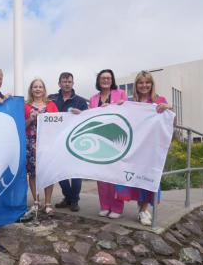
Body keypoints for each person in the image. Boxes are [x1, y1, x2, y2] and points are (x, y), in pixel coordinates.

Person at [112, 70, 171, 225]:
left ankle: (144, 210)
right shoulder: (130, 102)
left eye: (147, 82)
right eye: (140, 82)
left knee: (149, 176)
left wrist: (168, 108)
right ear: (136, 85)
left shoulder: (160, 100)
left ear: (151, 84)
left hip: (152, 147)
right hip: (135, 147)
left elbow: (172, 121)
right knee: (133, 175)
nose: (144, 85)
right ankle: (140, 208)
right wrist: (115, 107)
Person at [88, 69, 128, 219]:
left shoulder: (121, 94)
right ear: (98, 80)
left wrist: (115, 106)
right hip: (99, 140)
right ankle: (105, 205)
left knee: (116, 176)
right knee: (102, 176)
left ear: (112, 80)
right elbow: (89, 117)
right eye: (103, 78)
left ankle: (117, 207)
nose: (106, 80)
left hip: (116, 139)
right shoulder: (93, 98)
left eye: (108, 78)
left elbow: (127, 111)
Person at [49, 72, 88, 212]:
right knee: (59, 172)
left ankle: (74, 200)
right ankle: (68, 197)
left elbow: (87, 120)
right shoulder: (51, 99)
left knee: (76, 173)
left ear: (73, 83)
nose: (66, 84)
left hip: (75, 142)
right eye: (64, 81)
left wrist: (82, 114)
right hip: (56, 142)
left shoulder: (81, 101)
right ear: (59, 83)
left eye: (69, 81)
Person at [25, 78, 59, 215]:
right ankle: (36, 202)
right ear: (31, 89)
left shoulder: (51, 105)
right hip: (31, 144)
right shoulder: (25, 106)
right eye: (35, 87)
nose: (38, 89)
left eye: (40, 87)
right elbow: (21, 125)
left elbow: (59, 123)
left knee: (48, 173)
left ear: (44, 89)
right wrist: (30, 119)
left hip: (48, 144)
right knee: (33, 174)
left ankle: (48, 203)